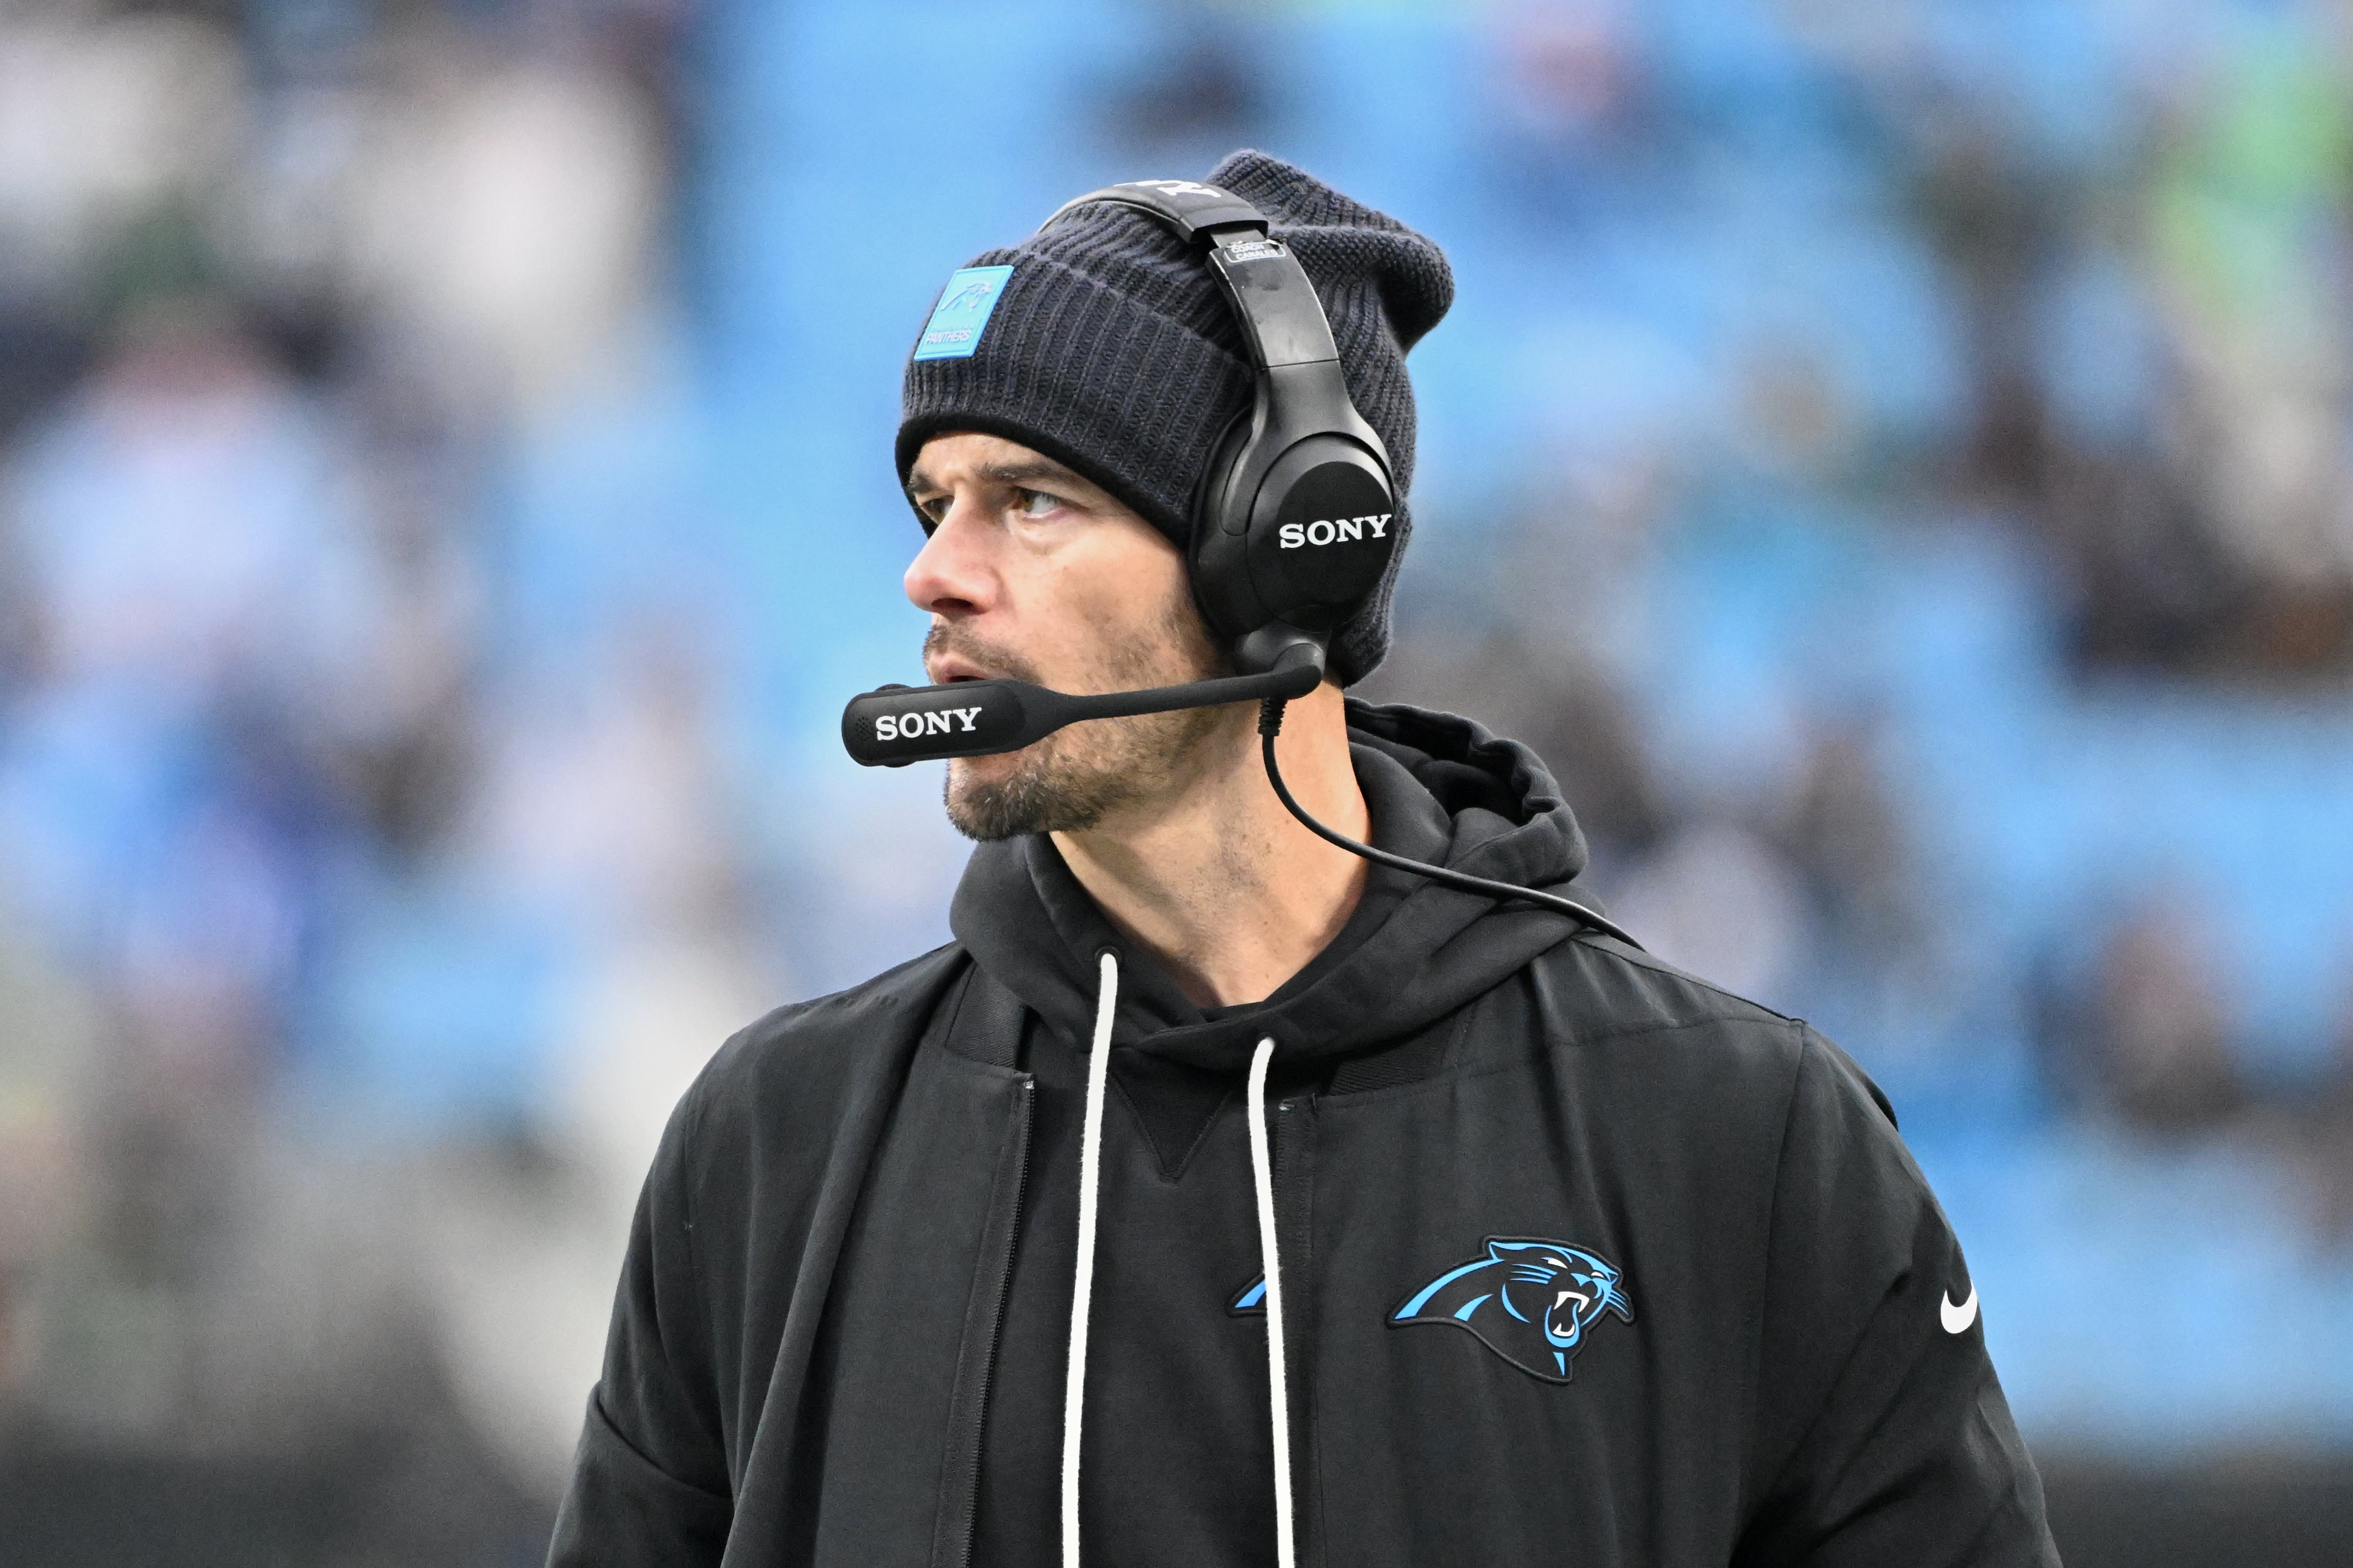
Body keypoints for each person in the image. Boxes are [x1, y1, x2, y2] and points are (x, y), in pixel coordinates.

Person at [549, 151, 2059, 1567]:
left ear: (1287, 551)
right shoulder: (772, 1146)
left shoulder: (1739, 1138)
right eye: (938, 501)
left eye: (1033, 500)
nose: (934, 570)